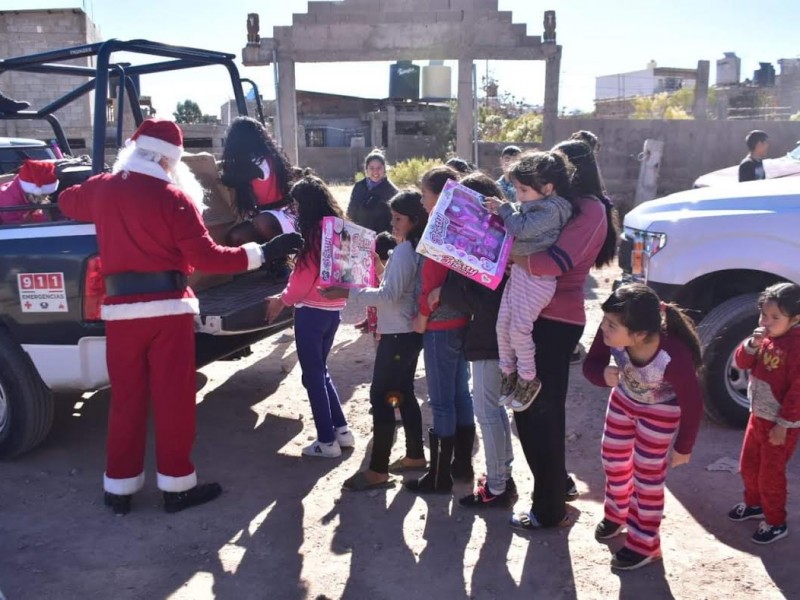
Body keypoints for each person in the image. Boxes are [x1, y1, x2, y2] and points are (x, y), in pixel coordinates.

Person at [57, 118, 303, 515]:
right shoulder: (176, 198)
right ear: (171, 160)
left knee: (126, 401)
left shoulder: (102, 189)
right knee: (173, 401)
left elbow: (67, 200)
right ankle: (176, 487)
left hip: (120, 314)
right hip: (169, 311)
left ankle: (119, 490)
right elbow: (209, 259)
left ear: (133, 151)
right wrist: (265, 252)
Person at [509, 138, 617, 530]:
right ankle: (556, 488)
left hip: (555, 319)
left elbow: (554, 262)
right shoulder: (569, 206)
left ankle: (548, 507)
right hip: (540, 314)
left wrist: (509, 256)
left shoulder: (589, 209)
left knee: (540, 412)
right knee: (530, 410)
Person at [583, 283, 703, 570]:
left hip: (660, 412)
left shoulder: (672, 355)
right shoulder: (610, 334)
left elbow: (693, 404)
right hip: (624, 401)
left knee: (647, 479)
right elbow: (591, 364)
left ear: (637, 335)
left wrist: (683, 447)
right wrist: (602, 375)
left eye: (612, 324)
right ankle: (617, 512)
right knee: (613, 459)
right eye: (605, 320)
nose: (604, 328)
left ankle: (644, 544)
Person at [320, 190, 428, 490]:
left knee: (382, 398)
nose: (392, 225)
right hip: (402, 333)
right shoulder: (411, 249)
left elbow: (389, 295)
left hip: (398, 335)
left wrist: (345, 292)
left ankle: (378, 470)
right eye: (392, 218)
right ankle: (415, 455)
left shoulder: (406, 252)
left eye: (398, 219)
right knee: (402, 392)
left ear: (414, 221)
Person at [434, 173, 518, 508]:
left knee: (488, 412)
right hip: (494, 337)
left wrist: (447, 290)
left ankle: (498, 486)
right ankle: (501, 478)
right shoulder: (502, 238)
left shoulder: (495, 243)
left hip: (491, 339)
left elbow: (484, 300)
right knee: (493, 411)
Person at [266, 173, 353, 458]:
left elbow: (303, 278)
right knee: (320, 372)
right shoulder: (338, 228)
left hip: (311, 314)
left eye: (297, 205)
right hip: (333, 311)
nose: (295, 210)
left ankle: (326, 442)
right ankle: (342, 430)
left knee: (313, 376)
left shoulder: (314, 235)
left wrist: (283, 300)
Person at [485, 151, 575, 412]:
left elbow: (521, 228)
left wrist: (504, 208)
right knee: (502, 326)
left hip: (538, 279)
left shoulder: (552, 210)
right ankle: (508, 373)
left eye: (523, 190)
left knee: (518, 330)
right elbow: (521, 213)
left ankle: (527, 378)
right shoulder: (538, 203)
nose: (518, 196)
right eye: (516, 190)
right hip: (522, 274)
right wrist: (505, 207)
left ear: (547, 188)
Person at [406, 165, 473, 494]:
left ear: (440, 194)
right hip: (461, 319)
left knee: (442, 400)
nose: (421, 201)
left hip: (439, 322)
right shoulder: (462, 223)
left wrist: (421, 314)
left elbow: (431, 276)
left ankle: (439, 476)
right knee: (461, 393)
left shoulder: (439, 225)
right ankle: (461, 465)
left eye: (424, 194)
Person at [728, 283, 800, 545]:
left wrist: (783, 425)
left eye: (775, 318)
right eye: (763, 315)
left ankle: (775, 521)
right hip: (757, 416)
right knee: (748, 466)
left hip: (780, 426)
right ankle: (754, 505)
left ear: (795, 320)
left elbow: (797, 392)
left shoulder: (796, 347)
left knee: (771, 474)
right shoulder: (765, 339)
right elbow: (742, 362)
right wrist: (751, 345)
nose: (766, 322)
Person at [347, 149, 398, 234]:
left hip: (381, 239)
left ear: (384, 169)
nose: (375, 171)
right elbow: (351, 212)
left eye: (379, 168)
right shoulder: (359, 186)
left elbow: (394, 221)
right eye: (371, 168)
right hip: (359, 236)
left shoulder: (392, 191)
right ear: (366, 169)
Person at [0, 159, 57, 225]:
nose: (46, 197)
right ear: (36, 192)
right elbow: (14, 228)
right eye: (44, 195)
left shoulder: (25, 191)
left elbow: (38, 215)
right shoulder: (9, 201)